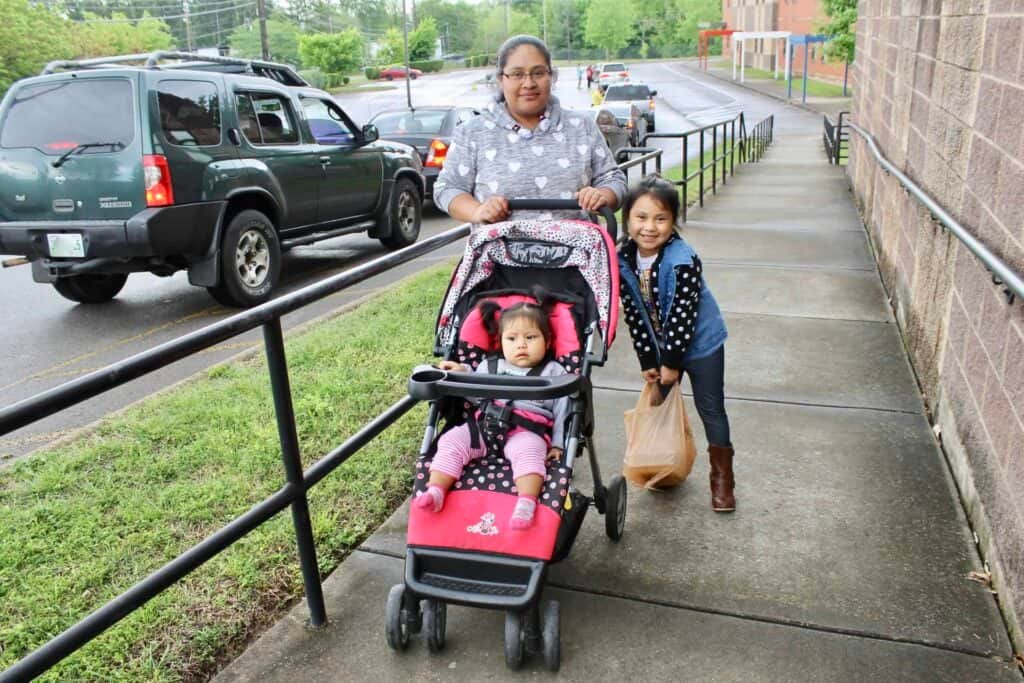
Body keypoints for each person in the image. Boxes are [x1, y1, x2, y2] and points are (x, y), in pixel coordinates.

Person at [616, 175, 735, 512]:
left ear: (673, 221)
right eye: (641, 217)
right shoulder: (623, 258)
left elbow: (683, 318)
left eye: (660, 218)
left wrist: (670, 365)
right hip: (661, 345)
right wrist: (648, 362)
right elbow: (636, 317)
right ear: (627, 219)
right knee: (660, 402)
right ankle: (663, 464)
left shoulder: (683, 259)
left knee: (710, 408)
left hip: (701, 345)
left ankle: (722, 481)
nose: (649, 227)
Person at [433, 35, 626, 224]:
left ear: (551, 76)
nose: (529, 83)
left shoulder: (582, 127)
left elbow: (613, 179)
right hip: (500, 254)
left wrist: (600, 196)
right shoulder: (473, 132)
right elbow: (448, 188)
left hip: (577, 253)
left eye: (538, 73)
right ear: (501, 79)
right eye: (517, 74)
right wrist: (478, 211)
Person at [415, 297, 570, 530]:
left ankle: (526, 503)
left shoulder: (554, 372)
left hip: (526, 431)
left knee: (530, 452)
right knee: (451, 441)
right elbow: (474, 391)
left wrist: (558, 444)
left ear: (547, 342)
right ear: (500, 342)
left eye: (530, 337)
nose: (521, 345)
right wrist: (461, 372)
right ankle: (436, 490)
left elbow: (563, 411)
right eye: (512, 338)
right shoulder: (490, 366)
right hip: (483, 427)